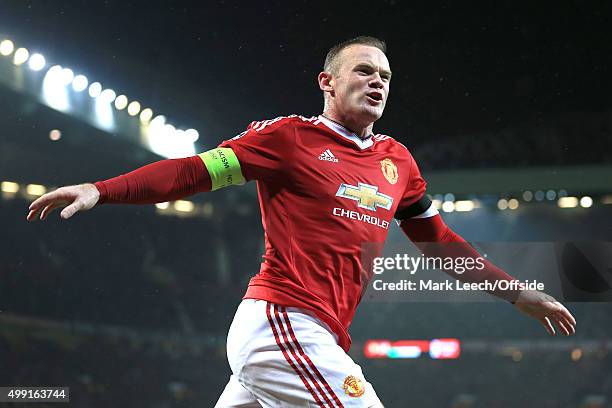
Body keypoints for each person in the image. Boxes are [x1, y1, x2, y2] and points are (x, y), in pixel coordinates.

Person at [27, 36, 576, 407]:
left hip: (322, 333)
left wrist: (514, 293)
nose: (378, 81)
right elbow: (192, 173)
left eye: (385, 75)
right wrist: (101, 189)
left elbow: (437, 240)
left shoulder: (398, 163)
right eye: (363, 70)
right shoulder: (287, 139)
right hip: (283, 322)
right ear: (327, 82)